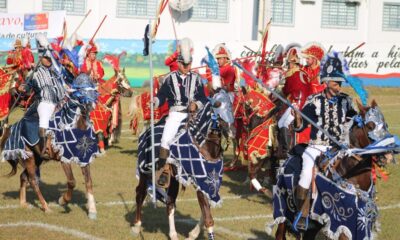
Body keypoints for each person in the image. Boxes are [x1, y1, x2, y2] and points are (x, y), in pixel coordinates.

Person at [292, 52, 357, 229]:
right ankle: (303, 212)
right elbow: (300, 126)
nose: (338, 87)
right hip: (317, 147)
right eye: (336, 83)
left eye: (340, 84)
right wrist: (298, 118)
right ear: (326, 82)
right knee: (306, 171)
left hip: (339, 147)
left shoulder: (346, 101)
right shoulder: (314, 101)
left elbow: (354, 122)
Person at [154, 38, 208, 187]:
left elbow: (203, 98)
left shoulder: (197, 79)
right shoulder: (169, 78)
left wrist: (196, 105)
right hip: (176, 114)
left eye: (189, 64)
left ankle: (205, 167)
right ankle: (164, 170)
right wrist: (155, 101)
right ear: (178, 63)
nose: (187, 66)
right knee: (166, 139)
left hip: (193, 115)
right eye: (184, 64)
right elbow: (162, 96)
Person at [19, 35, 67, 159]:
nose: (49, 60)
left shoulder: (55, 72)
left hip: (58, 102)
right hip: (44, 102)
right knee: (45, 116)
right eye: (47, 58)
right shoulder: (34, 73)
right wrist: (23, 88)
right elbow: (27, 87)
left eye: (50, 58)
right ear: (40, 58)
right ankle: (44, 146)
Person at [277, 46, 312, 159]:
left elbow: (285, 91)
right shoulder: (303, 73)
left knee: (282, 123)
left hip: (297, 104)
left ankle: (288, 151)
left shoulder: (291, 74)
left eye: (289, 64)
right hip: (305, 103)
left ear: (293, 63)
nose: (289, 66)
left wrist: (281, 89)